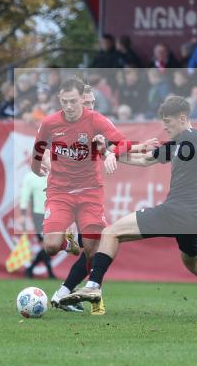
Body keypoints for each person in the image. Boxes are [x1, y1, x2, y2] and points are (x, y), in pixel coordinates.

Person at [58, 95, 197, 316]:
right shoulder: (176, 145)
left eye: (168, 122)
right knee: (194, 262)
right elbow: (143, 160)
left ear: (182, 118)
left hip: (177, 212)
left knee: (111, 233)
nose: (165, 127)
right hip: (194, 218)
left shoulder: (194, 138)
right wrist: (106, 153)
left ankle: (93, 286)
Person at [31, 77, 157, 312]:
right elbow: (41, 150)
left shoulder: (97, 123)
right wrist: (40, 165)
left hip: (89, 192)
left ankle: (85, 294)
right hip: (61, 191)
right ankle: (72, 275)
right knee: (52, 246)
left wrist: (118, 152)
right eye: (67, 101)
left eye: (87, 102)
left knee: (93, 250)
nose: (75, 106)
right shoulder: (53, 124)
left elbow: (120, 145)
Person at [19, 166, 55, 280]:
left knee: (50, 244)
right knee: (46, 244)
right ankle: (49, 273)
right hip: (39, 215)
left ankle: (31, 269)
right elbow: (24, 195)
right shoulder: (31, 177)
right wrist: (22, 214)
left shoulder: (55, 174)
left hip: (54, 214)